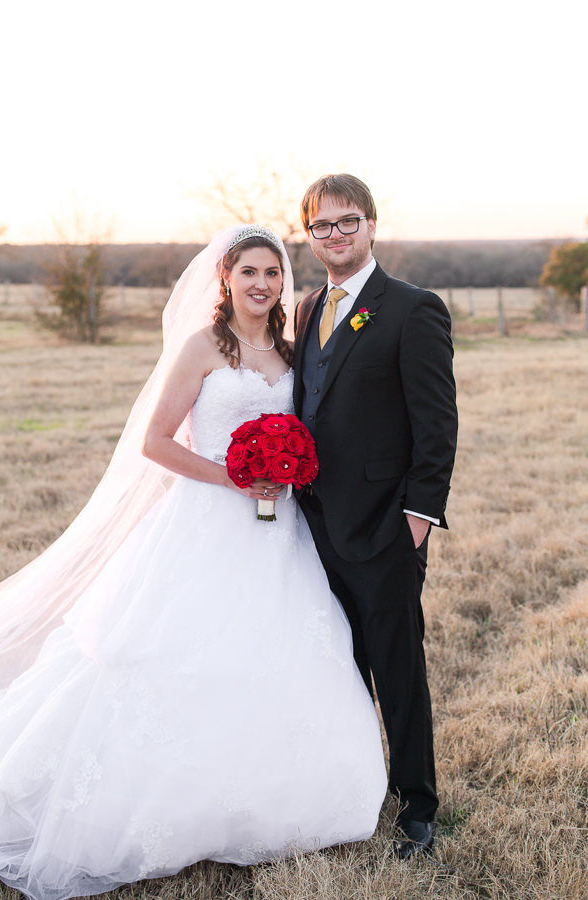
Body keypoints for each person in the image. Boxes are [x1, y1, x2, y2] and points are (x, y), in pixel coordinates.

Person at [0, 225, 389, 900]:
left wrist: (287, 466)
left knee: (288, 649)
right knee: (177, 654)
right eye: (250, 272)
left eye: (273, 273)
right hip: (206, 521)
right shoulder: (202, 347)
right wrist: (230, 474)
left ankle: (276, 795)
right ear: (225, 277)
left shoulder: (291, 348)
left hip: (278, 527)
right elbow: (153, 442)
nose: (263, 284)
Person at [293, 175, 457, 859]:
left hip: (386, 527)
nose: (335, 235)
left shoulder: (412, 309)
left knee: (396, 667)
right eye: (321, 226)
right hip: (314, 525)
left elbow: (437, 424)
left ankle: (417, 802)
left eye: (347, 222)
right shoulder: (306, 308)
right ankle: (355, 787)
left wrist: (416, 520)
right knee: (337, 663)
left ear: (372, 225)